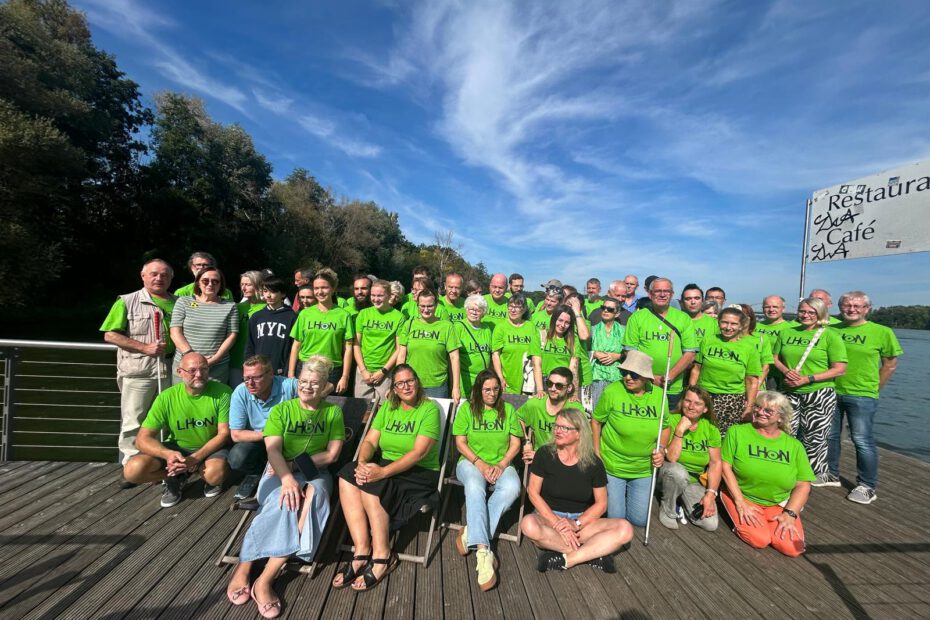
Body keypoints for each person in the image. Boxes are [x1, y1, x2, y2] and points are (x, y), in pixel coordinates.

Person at [228, 356, 344, 617]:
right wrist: (288, 478)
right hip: (279, 469)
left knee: (314, 497)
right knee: (282, 498)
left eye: (314, 383)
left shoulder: (332, 412)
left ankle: (265, 579)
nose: (307, 387)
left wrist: (296, 465)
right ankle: (244, 566)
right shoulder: (282, 410)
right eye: (303, 381)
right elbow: (273, 450)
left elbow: (332, 455)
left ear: (324, 386)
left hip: (315, 471)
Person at [334, 365, 441, 591]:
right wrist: (362, 463)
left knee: (372, 485)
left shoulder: (428, 409)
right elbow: (370, 441)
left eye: (410, 381)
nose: (406, 386)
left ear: (417, 381)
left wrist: (381, 472)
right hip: (386, 465)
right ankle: (362, 549)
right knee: (347, 475)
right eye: (400, 383)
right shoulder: (389, 408)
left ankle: (383, 555)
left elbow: (419, 452)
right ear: (394, 388)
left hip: (418, 472)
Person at [520, 408, 633, 573]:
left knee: (625, 529)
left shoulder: (593, 463)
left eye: (564, 428)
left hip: (583, 523)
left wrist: (576, 523)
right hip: (550, 519)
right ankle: (593, 552)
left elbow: (602, 503)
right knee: (528, 524)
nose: (558, 431)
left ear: (579, 433)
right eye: (556, 426)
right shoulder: (544, 454)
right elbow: (533, 492)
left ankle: (569, 558)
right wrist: (557, 523)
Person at [102, 259, 177, 483]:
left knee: (166, 418)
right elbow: (110, 334)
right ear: (143, 276)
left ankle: (159, 463)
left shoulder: (178, 302)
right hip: (139, 370)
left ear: (171, 278)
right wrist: (145, 348)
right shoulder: (127, 301)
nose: (159, 278)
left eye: (164, 275)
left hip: (171, 368)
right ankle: (131, 467)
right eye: (154, 274)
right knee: (134, 419)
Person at [122, 352, 231, 507]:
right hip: (177, 449)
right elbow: (142, 439)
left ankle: (199, 475)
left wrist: (194, 458)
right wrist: (168, 454)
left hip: (210, 448)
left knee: (215, 474)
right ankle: (174, 476)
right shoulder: (166, 397)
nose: (199, 375)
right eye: (192, 370)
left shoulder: (223, 392)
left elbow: (224, 434)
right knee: (132, 471)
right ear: (180, 372)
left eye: (204, 369)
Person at [827, 291, 903, 503]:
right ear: (840, 308)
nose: (851, 309)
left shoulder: (882, 332)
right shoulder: (831, 329)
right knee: (830, 436)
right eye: (847, 305)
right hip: (831, 391)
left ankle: (867, 486)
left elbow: (890, 365)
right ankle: (830, 473)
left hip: (862, 394)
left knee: (861, 439)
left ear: (867, 309)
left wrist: (874, 388)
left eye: (857, 306)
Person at [720, 391, 815, 557]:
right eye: (757, 407)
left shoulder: (794, 445)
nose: (760, 412)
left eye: (768, 410)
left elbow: (803, 484)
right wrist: (740, 502)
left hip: (778, 502)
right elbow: (724, 467)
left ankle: (769, 523)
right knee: (759, 539)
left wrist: (790, 513)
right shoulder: (737, 432)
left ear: (780, 417)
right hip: (744, 497)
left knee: (793, 549)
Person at [452, 370, 522, 591]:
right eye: (487, 390)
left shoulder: (508, 410)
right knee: (474, 486)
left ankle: (471, 532)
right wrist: (480, 464)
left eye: (495, 389)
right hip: (471, 462)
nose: (492, 393)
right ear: (478, 390)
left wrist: (501, 464)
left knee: (512, 487)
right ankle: (483, 553)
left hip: (502, 462)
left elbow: (515, 444)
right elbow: (460, 442)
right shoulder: (467, 409)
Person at [772, 297, 847, 485]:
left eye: (811, 312)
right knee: (785, 431)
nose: (805, 315)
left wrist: (808, 379)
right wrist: (786, 371)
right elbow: (774, 358)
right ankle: (786, 467)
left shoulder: (830, 336)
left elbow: (839, 369)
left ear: (820, 313)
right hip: (790, 391)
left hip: (819, 392)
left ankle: (814, 473)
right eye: (802, 311)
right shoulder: (786, 333)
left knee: (815, 435)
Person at [591, 350, 669, 526]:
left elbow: (665, 427)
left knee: (640, 520)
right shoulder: (613, 391)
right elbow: (596, 421)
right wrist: (597, 453)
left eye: (634, 374)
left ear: (646, 377)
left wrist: (661, 449)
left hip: (643, 468)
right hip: (613, 465)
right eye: (624, 372)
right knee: (616, 519)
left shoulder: (659, 396)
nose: (627, 377)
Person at [228, 355, 299, 499]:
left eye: (256, 378)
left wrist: (312, 399)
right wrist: (270, 434)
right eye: (246, 378)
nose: (250, 383)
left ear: (271, 374)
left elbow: (326, 385)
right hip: (260, 439)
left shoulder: (287, 385)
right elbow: (236, 434)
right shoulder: (240, 392)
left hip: (288, 439)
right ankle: (256, 472)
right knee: (236, 458)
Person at [622, 277, 697, 410]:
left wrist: (670, 377)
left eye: (666, 291)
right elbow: (630, 351)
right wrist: (650, 377)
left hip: (672, 387)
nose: (662, 294)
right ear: (650, 294)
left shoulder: (683, 318)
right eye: (657, 291)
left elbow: (690, 353)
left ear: (672, 294)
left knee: (668, 421)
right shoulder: (637, 317)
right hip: (643, 384)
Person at [689, 307, 762, 436]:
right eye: (724, 322)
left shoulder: (749, 348)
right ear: (719, 323)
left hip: (731, 400)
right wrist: (691, 392)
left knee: (724, 436)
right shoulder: (708, 340)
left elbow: (752, 381)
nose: (728, 327)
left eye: (734, 324)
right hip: (704, 396)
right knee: (699, 432)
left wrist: (749, 407)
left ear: (741, 326)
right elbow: (696, 369)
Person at [658, 386, 721, 531]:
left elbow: (715, 463)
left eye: (698, 403)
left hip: (694, 481)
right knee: (678, 472)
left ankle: (681, 501)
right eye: (688, 401)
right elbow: (672, 458)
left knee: (710, 524)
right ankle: (668, 508)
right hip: (668, 474)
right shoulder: (671, 420)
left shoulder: (711, 429)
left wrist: (711, 494)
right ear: (682, 402)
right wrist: (679, 431)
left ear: (705, 409)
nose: (691, 406)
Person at [288, 270, 354, 393]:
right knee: (304, 402)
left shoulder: (344, 315)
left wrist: (345, 376)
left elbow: (348, 348)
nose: (320, 292)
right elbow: (296, 346)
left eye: (324, 287)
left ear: (333, 289)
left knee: (329, 404)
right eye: (316, 288)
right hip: (305, 367)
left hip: (332, 370)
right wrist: (291, 374)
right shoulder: (305, 314)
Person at [169, 267, 239, 384]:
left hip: (217, 366)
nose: (210, 284)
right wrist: (190, 355)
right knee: (182, 395)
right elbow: (175, 332)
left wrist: (215, 359)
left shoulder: (230, 306)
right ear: (198, 283)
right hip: (186, 366)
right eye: (205, 281)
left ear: (221, 285)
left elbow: (231, 335)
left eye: (215, 281)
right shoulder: (183, 302)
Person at [397, 288, 461, 400]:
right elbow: (401, 356)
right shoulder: (409, 324)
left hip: (437, 386)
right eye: (422, 306)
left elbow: (454, 357)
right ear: (417, 305)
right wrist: (397, 382)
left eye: (430, 306)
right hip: (411, 384)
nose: (426, 310)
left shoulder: (446, 326)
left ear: (436, 306)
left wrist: (456, 387)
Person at [518, 368, 585, 463]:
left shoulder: (575, 409)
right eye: (550, 383)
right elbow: (517, 418)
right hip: (538, 459)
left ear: (569, 388)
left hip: (565, 461)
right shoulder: (535, 404)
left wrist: (542, 456)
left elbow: (583, 439)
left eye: (559, 386)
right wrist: (526, 441)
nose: (553, 389)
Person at [354, 279, 404, 399]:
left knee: (385, 407)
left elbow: (399, 349)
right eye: (373, 295)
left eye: (380, 296)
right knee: (361, 408)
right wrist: (363, 370)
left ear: (389, 295)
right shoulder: (363, 314)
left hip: (386, 372)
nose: (376, 299)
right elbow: (356, 344)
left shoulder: (399, 317)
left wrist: (383, 371)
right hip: (363, 371)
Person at [245, 277, 297, 376]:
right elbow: (250, 346)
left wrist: (288, 370)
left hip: (281, 371)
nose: (268, 295)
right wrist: (248, 367)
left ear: (283, 294)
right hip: (258, 371)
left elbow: (293, 348)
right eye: (265, 291)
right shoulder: (256, 317)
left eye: (273, 291)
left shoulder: (292, 317)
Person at [492, 294, 542, 395]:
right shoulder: (500, 327)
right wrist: (500, 378)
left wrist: (540, 388)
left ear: (524, 309)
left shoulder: (531, 327)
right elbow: (495, 355)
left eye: (517, 307)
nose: (513, 310)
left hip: (527, 383)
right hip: (507, 381)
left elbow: (536, 357)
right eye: (510, 306)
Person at [534, 305, 584, 396]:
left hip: (563, 384)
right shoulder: (541, 335)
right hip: (544, 382)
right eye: (560, 320)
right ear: (554, 319)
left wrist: (574, 394)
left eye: (567, 322)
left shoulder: (573, 340)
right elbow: (536, 365)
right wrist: (540, 390)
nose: (562, 325)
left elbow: (573, 368)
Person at [229, 270, 267, 386]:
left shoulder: (267, 308)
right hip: (236, 359)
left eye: (248, 284)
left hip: (258, 361)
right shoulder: (237, 307)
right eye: (242, 284)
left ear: (258, 285)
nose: (244, 288)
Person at [455, 294, 495, 394]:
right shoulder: (458, 327)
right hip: (465, 380)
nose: (474, 312)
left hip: (483, 380)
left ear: (483, 313)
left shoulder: (486, 329)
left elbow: (491, 354)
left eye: (478, 310)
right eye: (471, 309)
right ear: (466, 309)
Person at [590, 297, 625, 407]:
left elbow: (631, 353)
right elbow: (581, 352)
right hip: (596, 376)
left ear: (617, 313)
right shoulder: (592, 330)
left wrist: (618, 356)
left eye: (610, 309)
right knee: (596, 408)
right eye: (603, 307)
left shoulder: (624, 331)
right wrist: (594, 354)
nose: (605, 311)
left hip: (617, 376)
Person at [757, 295, 797, 390]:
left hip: (777, 376)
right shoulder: (754, 326)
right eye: (767, 307)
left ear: (783, 309)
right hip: (755, 372)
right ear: (763, 308)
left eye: (775, 307)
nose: (771, 310)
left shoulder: (790, 329)